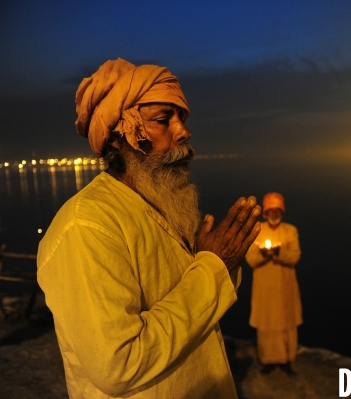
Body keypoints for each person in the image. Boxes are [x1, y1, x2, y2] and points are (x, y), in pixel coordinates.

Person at [37, 58, 262, 399]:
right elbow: (119, 364)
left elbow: (188, 302)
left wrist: (213, 260)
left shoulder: (156, 204)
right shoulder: (88, 225)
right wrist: (213, 266)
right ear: (119, 137)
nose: (183, 132)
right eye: (163, 120)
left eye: (181, 118)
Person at [244, 192, 302, 375]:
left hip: (285, 287)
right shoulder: (257, 230)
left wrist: (279, 254)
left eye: (277, 210)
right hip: (265, 288)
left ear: (282, 211)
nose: (274, 214)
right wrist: (263, 255)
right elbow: (251, 259)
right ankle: (268, 361)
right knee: (267, 324)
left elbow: (294, 256)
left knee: (286, 324)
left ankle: (287, 360)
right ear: (265, 212)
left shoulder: (290, 231)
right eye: (271, 210)